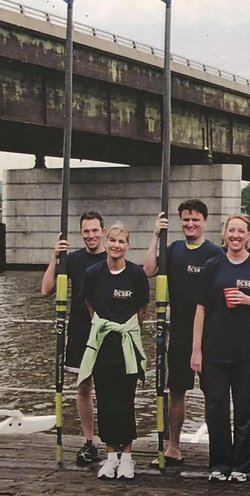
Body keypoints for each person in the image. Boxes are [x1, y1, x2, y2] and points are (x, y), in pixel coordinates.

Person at [190, 214, 250, 482]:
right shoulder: (212, 266)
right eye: (232, 231)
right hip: (215, 349)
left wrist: (249, 300)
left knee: (245, 409)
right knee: (216, 409)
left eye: (242, 231)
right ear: (225, 234)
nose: (236, 236)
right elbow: (201, 308)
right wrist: (196, 350)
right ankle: (218, 463)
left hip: (249, 352)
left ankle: (241, 466)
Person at [142, 199, 224, 466]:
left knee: (214, 392)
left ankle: (219, 449)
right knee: (176, 390)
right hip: (178, 332)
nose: (190, 224)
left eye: (195, 220)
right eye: (186, 220)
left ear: (204, 222)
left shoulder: (214, 253)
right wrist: (155, 235)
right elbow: (149, 270)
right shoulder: (174, 249)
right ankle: (173, 446)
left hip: (210, 334)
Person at [79, 224, 149, 480]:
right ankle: (110, 457)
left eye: (122, 241)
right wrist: (102, 325)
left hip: (127, 345)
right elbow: (88, 301)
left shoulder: (136, 275)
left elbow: (142, 309)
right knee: (105, 400)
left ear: (128, 246)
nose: (116, 245)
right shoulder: (93, 273)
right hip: (103, 345)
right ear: (106, 243)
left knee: (125, 400)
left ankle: (128, 457)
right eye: (112, 240)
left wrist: (126, 330)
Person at [41, 211, 106, 467]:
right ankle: (89, 442)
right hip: (80, 330)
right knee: (83, 387)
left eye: (94, 230)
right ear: (82, 233)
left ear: (102, 230)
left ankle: (116, 442)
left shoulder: (111, 255)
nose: (91, 235)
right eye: (86, 231)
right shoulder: (74, 259)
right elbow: (46, 289)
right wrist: (54, 257)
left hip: (106, 331)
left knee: (111, 389)